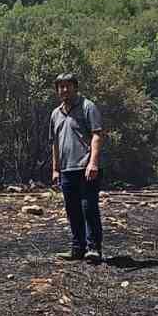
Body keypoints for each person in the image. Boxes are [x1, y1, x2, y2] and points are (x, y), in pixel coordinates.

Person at [49, 73, 105, 262]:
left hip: (85, 167)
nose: (64, 90)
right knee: (72, 210)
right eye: (61, 87)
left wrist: (93, 163)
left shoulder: (87, 107)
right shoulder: (56, 113)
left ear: (75, 87)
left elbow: (97, 135)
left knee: (88, 207)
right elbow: (55, 143)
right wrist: (55, 169)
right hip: (66, 169)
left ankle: (94, 248)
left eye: (68, 86)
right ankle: (77, 248)